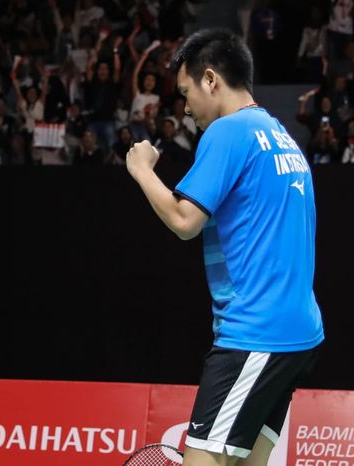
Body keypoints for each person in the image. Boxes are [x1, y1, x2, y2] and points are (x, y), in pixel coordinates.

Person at [125, 29, 324, 466]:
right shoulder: (282, 136)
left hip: (253, 332)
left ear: (210, 79)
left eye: (186, 92)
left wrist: (141, 170)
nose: (187, 107)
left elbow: (183, 221)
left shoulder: (227, 132)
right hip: (299, 334)